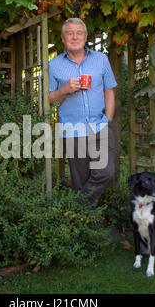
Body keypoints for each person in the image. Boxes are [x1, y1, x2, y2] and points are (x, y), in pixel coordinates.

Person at [48, 17, 117, 205]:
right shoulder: (54, 65)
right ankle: (85, 222)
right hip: (72, 129)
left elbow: (109, 91)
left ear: (85, 37)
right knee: (80, 180)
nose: (74, 37)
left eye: (79, 33)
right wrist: (64, 90)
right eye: (69, 33)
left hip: (99, 125)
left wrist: (108, 119)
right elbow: (48, 99)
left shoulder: (101, 60)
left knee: (105, 172)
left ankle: (77, 210)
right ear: (63, 38)